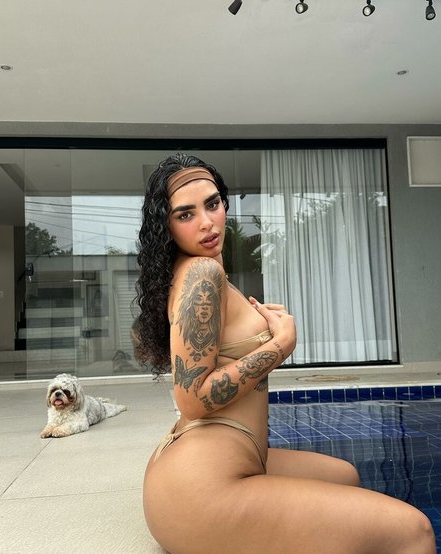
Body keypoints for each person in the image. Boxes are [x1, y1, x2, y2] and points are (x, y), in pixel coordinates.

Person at [137, 153, 435, 554]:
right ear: (167, 225)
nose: (207, 222)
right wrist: (280, 346)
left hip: (202, 466)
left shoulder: (196, 270)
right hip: (200, 491)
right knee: (414, 531)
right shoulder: (202, 275)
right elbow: (191, 398)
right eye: (186, 214)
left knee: (345, 475)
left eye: (212, 204)